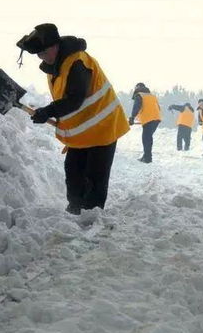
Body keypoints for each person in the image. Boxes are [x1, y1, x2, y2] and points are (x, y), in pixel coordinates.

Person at [16, 23, 129, 215]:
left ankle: (90, 216)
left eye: (43, 53)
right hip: (83, 132)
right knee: (74, 172)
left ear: (55, 46)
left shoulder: (77, 62)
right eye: (38, 55)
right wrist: (47, 113)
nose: (41, 58)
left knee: (95, 176)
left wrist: (49, 111)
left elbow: (76, 98)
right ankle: (75, 210)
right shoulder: (56, 68)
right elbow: (67, 102)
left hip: (103, 128)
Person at [128, 83, 161, 163]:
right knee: (148, 137)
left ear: (138, 87)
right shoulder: (152, 96)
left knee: (146, 138)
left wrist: (132, 117)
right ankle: (146, 156)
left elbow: (137, 106)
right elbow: (158, 107)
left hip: (148, 119)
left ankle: (147, 158)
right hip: (157, 118)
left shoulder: (139, 95)